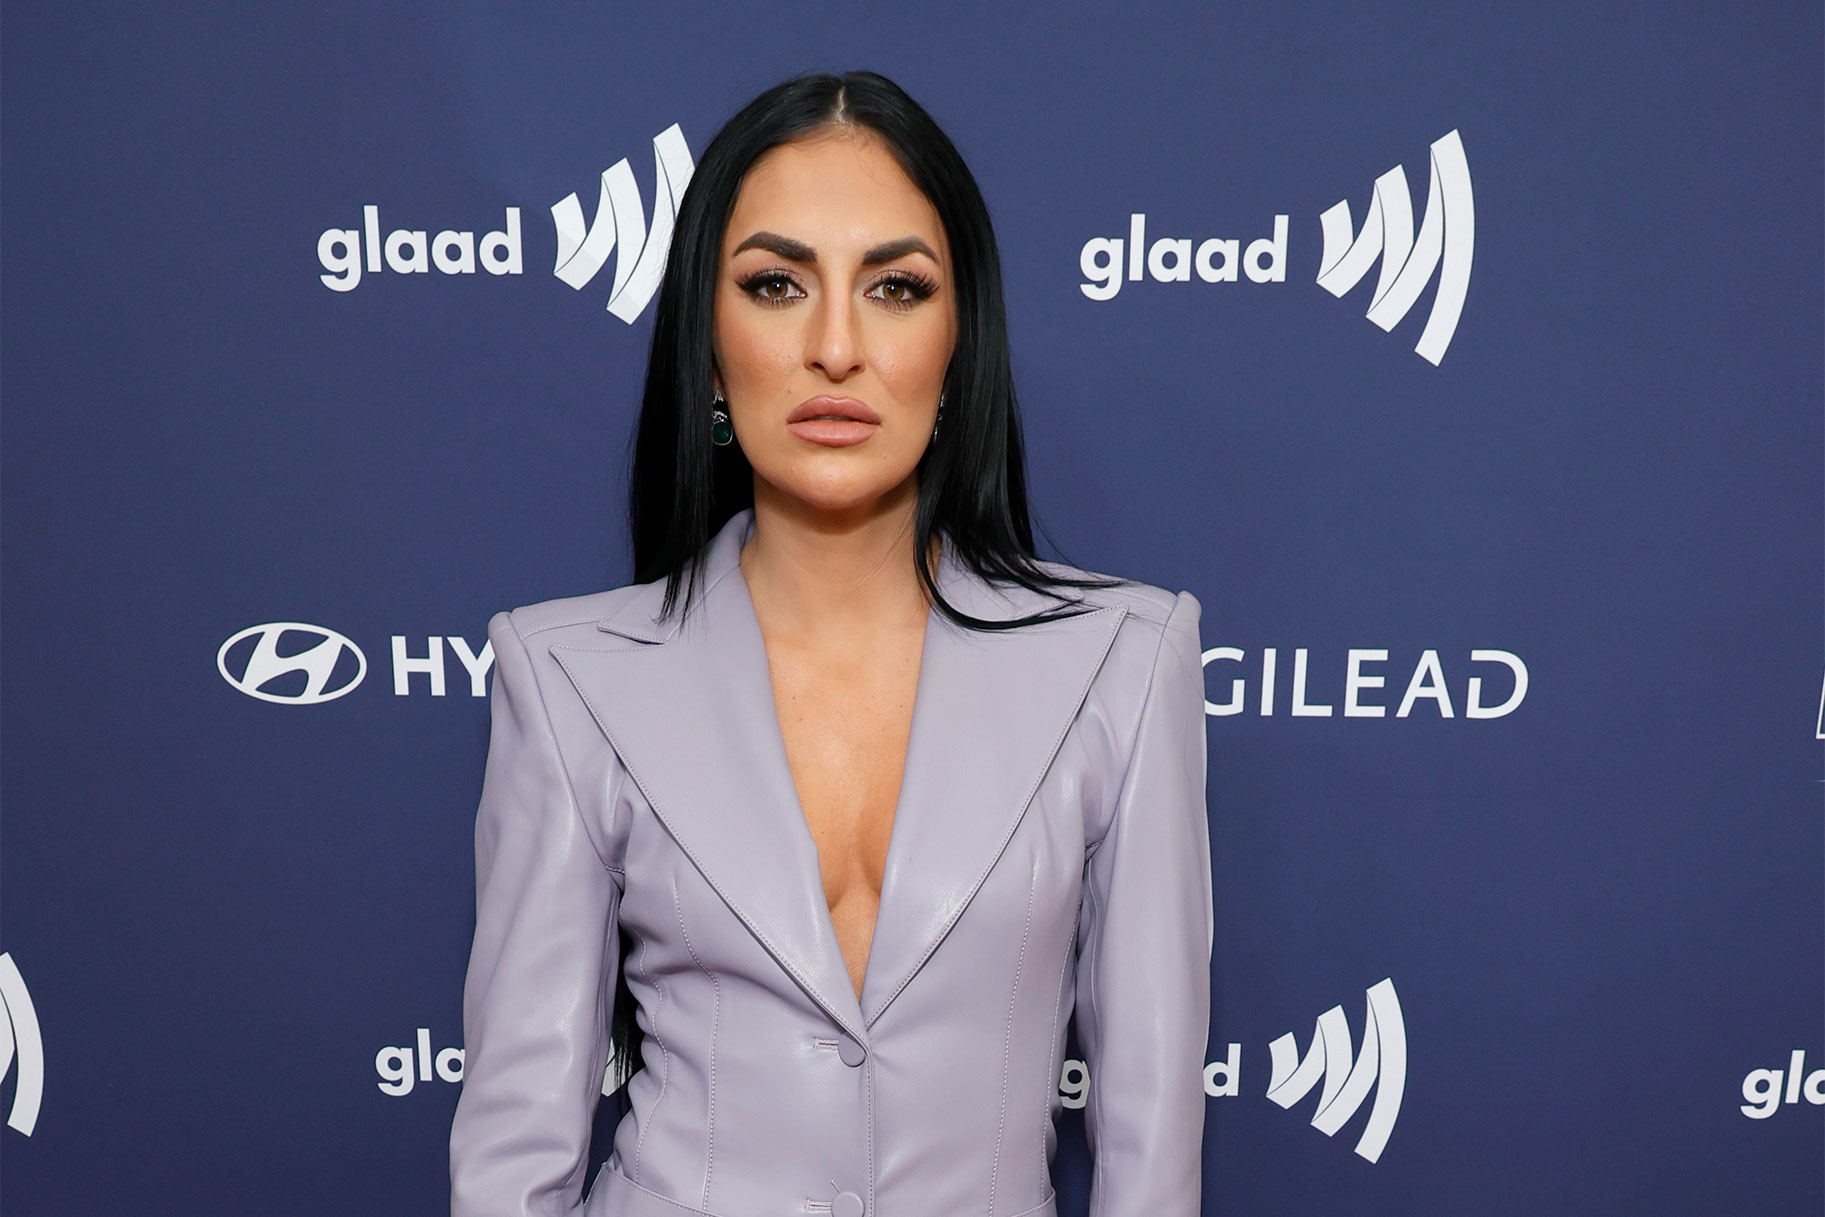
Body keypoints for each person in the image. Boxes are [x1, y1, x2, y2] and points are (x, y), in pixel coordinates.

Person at [449, 70, 1212, 1217]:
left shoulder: (1125, 661)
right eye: (774, 283)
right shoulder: (565, 678)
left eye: (896, 286)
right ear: (707, 342)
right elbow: (516, 1150)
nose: (836, 346)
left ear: (960, 343)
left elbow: (1151, 1148)